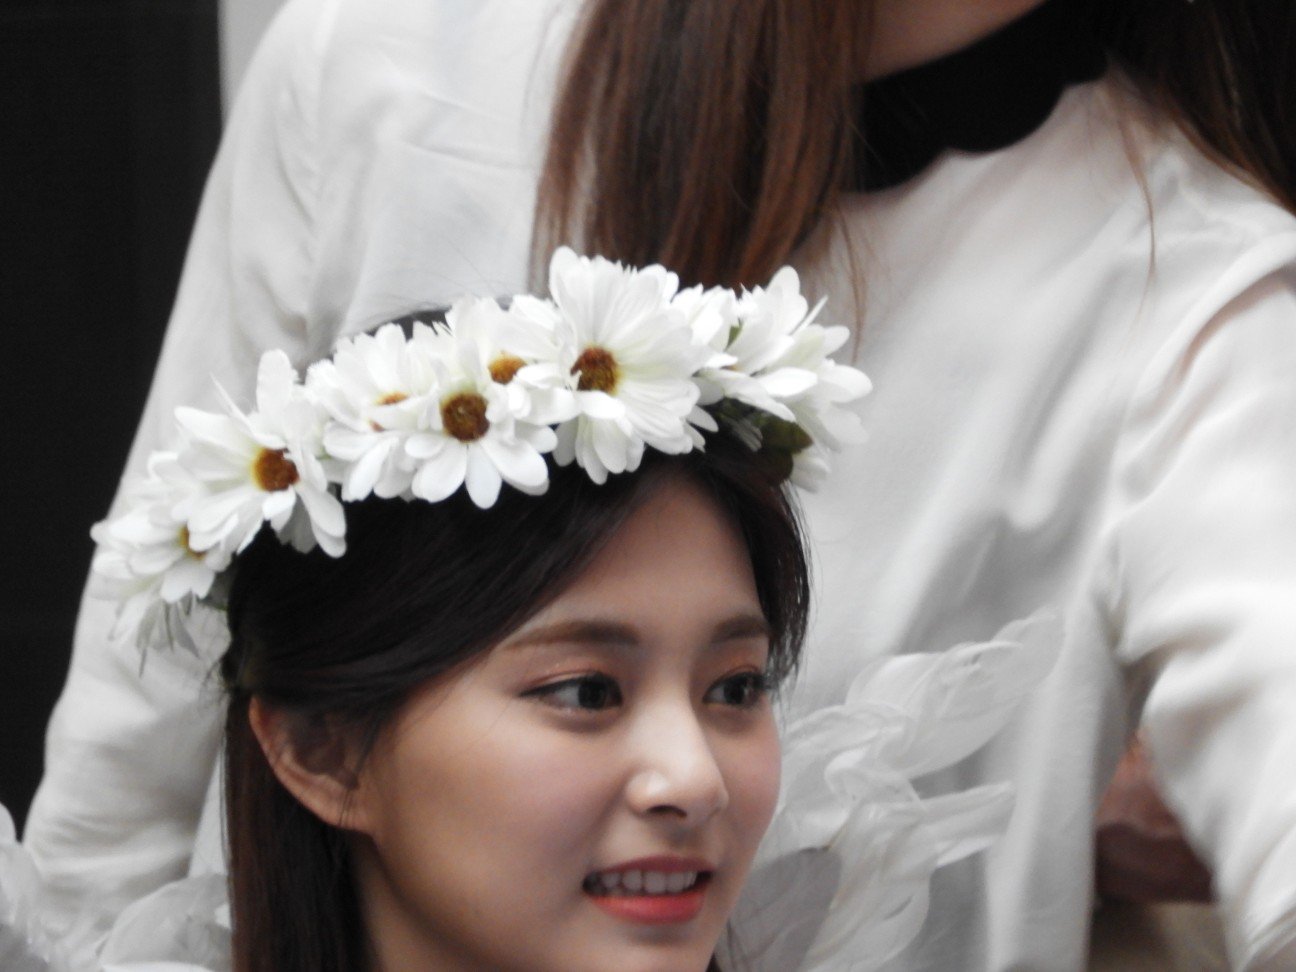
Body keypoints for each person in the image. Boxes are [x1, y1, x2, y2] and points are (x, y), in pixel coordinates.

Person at [25, 0, 1296, 968]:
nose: (688, 776)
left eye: (740, 688)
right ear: (313, 746)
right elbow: (138, 726)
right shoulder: (394, 58)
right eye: (588, 690)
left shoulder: (1197, 295)